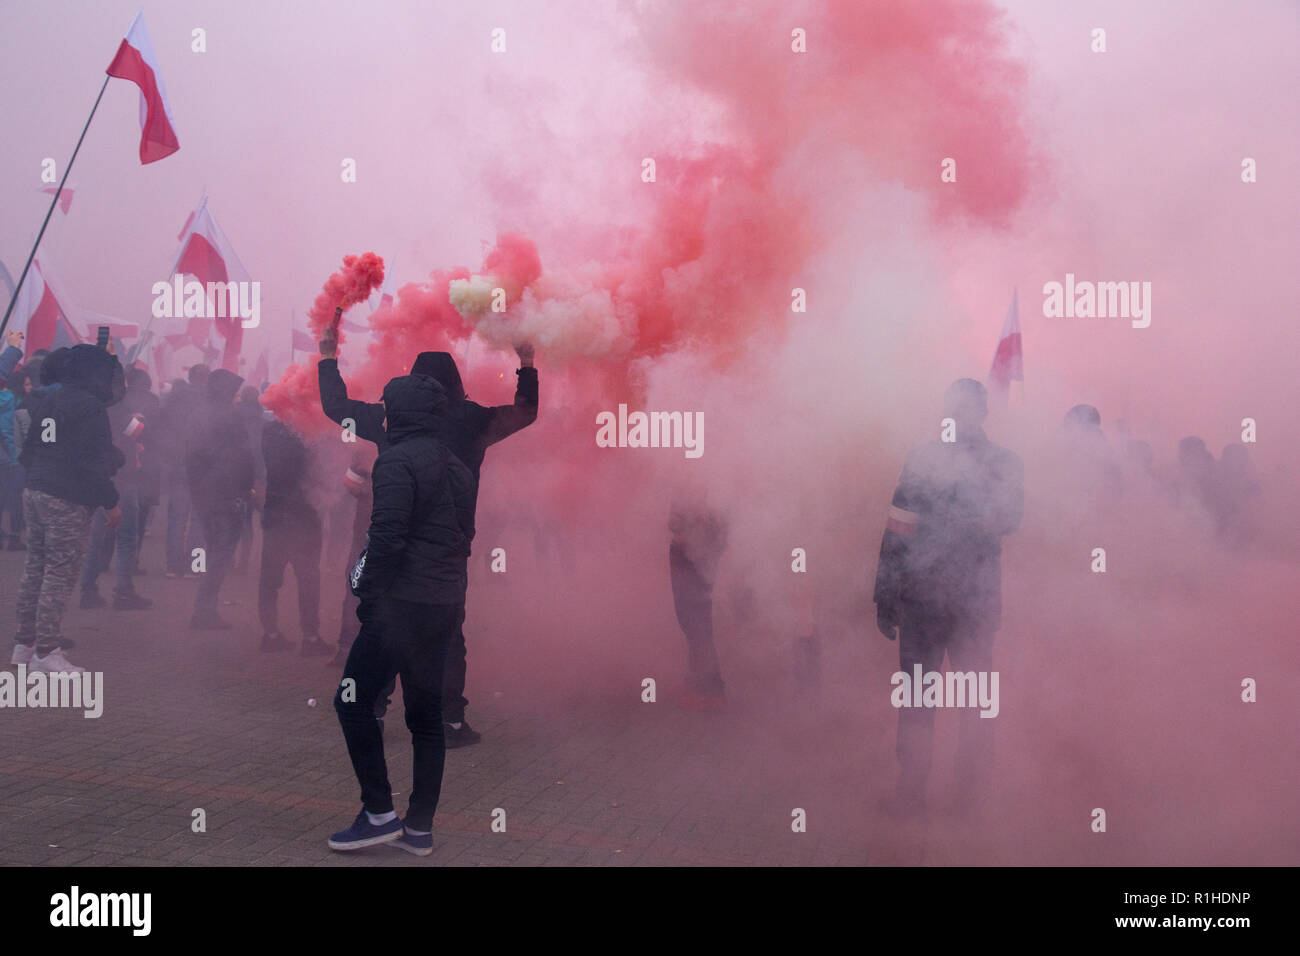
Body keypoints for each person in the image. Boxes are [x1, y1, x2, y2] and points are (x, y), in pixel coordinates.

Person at [317, 325, 538, 747]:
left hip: (393, 539)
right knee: (448, 632)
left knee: (385, 627)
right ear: (454, 384)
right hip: (447, 549)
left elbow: (335, 405)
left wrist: (328, 356)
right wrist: (526, 364)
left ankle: (374, 711)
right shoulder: (473, 421)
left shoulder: (387, 419)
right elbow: (524, 412)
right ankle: (449, 720)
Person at [329, 372, 476, 857]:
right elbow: (464, 539)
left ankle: (377, 814)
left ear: (399, 413)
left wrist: (362, 587)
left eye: (387, 406)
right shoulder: (457, 464)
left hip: (400, 607)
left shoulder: (394, 462)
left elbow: (385, 537)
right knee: (426, 715)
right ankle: (419, 828)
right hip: (443, 606)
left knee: (352, 701)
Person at [873, 378, 1023, 816]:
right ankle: (945, 794)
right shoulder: (994, 461)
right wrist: (885, 594)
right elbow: (899, 525)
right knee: (956, 698)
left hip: (942, 600)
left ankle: (928, 794)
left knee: (932, 697)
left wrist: (886, 594)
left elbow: (899, 528)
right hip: (953, 601)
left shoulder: (937, 458)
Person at [12, 344, 126, 674]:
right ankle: (46, 654)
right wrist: (111, 501)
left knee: (35, 567)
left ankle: (25, 644)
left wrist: (39, 475)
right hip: (66, 497)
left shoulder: (52, 398)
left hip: (35, 489)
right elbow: (92, 461)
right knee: (58, 573)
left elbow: (32, 445)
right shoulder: (91, 407)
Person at [78, 366, 158, 610]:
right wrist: (140, 420)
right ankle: (123, 592)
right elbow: (135, 430)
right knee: (126, 536)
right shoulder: (118, 405)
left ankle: (87, 590)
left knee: (97, 535)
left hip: (97, 475)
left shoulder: (92, 403)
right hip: (122, 475)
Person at [185, 369, 254, 630]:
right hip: (227, 494)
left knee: (215, 548)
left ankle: (205, 609)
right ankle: (203, 610)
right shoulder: (231, 416)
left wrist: (196, 489)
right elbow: (244, 455)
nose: (237, 396)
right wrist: (247, 487)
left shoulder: (196, 415)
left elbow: (190, 457)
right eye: (234, 391)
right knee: (221, 553)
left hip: (204, 494)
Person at [258, 414, 329, 655]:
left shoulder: (269, 432)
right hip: (302, 517)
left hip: (275, 514)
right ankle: (310, 637)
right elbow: (317, 472)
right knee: (308, 578)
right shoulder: (308, 436)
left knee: (269, 579)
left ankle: (270, 634)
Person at [668, 497, 729, 708]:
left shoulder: (693, 475)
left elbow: (682, 523)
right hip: (698, 549)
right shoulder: (708, 473)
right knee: (694, 618)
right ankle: (697, 681)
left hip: (692, 552)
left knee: (695, 620)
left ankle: (711, 690)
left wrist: (682, 533)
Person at [160, 366, 208, 578]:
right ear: (205, 378)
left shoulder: (173, 400)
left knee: (177, 518)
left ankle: (172, 566)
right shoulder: (209, 402)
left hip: (178, 464)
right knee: (200, 520)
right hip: (202, 468)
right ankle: (195, 567)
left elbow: (162, 431)